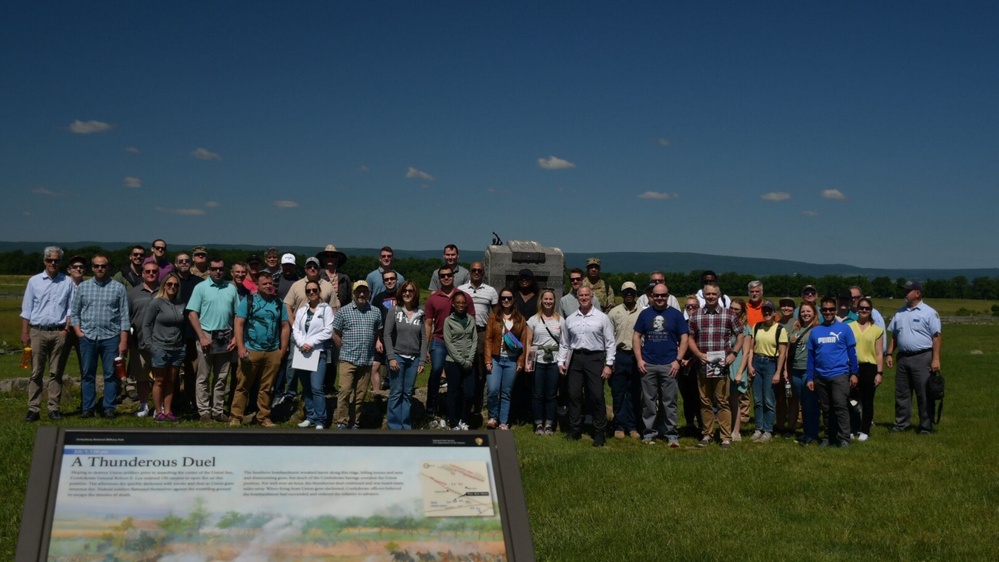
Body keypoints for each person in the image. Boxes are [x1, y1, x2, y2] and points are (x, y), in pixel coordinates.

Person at [71, 254, 130, 418]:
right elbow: (75, 313)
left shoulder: (118, 288)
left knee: (111, 375)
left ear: (108, 267)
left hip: (111, 337)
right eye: (96, 266)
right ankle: (87, 408)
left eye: (103, 266)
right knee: (87, 374)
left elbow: (124, 316)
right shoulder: (83, 287)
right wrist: (78, 332)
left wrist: (123, 340)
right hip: (88, 337)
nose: (100, 269)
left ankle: (109, 407)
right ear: (92, 268)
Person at [21, 246, 74, 422]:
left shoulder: (67, 282)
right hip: (38, 331)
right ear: (44, 261)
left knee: (56, 373)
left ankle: (54, 408)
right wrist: (25, 332)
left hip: (59, 331)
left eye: (56, 260)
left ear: (60, 262)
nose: (53, 263)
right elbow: (27, 308)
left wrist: (66, 329)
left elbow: (70, 308)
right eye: (50, 260)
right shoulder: (34, 281)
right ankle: (33, 409)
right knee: (36, 372)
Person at [687, 283, 743, 448]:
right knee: (704, 401)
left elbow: (740, 335)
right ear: (703, 296)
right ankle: (707, 434)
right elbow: (690, 338)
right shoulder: (696, 315)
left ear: (719, 295)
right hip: (703, 364)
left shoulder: (729, 315)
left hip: (721, 364)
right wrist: (698, 354)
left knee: (722, 401)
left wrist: (733, 353)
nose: (710, 296)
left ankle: (725, 436)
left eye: (714, 294)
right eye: (708, 294)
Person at [558, 286, 615, 447]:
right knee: (574, 395)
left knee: (596, 395)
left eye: (586, 295)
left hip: (595, 358)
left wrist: (609, 364)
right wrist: (561, 362)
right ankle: (575, 429)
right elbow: (565, 343)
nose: (583, 298)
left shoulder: (602, 318)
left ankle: (599, 432)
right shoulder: (571, 319)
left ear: (592, 297)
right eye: (580, 295)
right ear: (577, 298)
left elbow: (610, 343)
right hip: (575, 359)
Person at [633, 281, 689, 446]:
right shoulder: (645, 314)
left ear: (668, 296)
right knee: (649, 401)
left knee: (669, 401)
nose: (659, 298)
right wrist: (639, 359)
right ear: (651, 297)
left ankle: (671, 433)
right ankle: (649, 433)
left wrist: (678, 360)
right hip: (648, 364)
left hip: (669, 364)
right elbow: (636, 336)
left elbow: (684, 338)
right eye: (656, 295)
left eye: (663, 295)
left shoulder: (676, 315)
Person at [231, 272, 289, 427]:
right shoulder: (249, 302)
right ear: (257, 285)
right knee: (243, 385)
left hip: (272, 351)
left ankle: (263, 417)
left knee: (267, 387)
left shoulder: (278, 303)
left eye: (270, 283)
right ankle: (236, 417)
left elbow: (284, 326)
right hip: (251, 349)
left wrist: (282, 349)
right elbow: (239, 324)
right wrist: (241, 346)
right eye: (265, 284)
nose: (269, 286)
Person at [186, 257, 239, 423]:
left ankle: (217, 410)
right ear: (209, 269)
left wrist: (236, 337)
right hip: (206, 334)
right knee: (203, 376)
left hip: (226, 335)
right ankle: (204, 412)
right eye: (215, 269)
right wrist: (201, 336)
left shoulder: (231, 288)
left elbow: (238, 314)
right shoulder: (201, 288)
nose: (218, 272)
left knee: (222, 376)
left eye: (221, 269)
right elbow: (192, 313)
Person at [886, 280, 941, 435]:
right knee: (902, 393)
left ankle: (925, 426)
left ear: (917, 293)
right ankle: (901, 424)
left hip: (922, 356)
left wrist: (935, 358)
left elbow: (936, 337)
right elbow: (895, 336)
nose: (905, 293)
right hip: (903, 358)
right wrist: (889, 353)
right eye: (904, 290)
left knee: (924, 393)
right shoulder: (899, 313)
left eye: (908, 291)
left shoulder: (929, 313)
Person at [806, 296, 859, 448]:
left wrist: (854, 373)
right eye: (825, 310)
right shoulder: (816, 331)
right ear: (821, 311)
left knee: (840, 406)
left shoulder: (844, 328)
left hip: (840, 374)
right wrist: (810, 377)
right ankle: (828, 437)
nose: (828, 312)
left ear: (835, 311)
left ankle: (844, 438)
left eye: (831, 309)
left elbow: (851, 352)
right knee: (826, 409)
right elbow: (811, 356)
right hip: (820, 376)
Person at [424, 265, 473, 427]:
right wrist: (426, 347)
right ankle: (431, 407)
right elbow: (428, 323)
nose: (446, 278)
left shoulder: (463, 296)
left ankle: (459, 409)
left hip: (459, 341)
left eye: (449, 275)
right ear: (439, 278)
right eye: (443, 275)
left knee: (459, 375)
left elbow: (471, 319)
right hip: (439, 340)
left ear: (453, 276)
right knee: (437, 370)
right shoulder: (433, 298)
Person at [332, 281, 383, 429]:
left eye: (364, 292)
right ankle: (342, 421)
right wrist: (343, 349)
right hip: (348, 358)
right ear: (353, 293)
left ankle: (355, 422)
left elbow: (377, 331)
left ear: (369, 294)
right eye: (358, 291)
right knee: (345, 391)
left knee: (360, 395)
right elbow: (335, 334)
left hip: (366, 360)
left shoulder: (375, 311)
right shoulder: (344, 311)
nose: (362, 294)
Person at [141, 273, 186, 422]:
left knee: (170, 382)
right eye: (169, 284)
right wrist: (150, 346)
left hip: (177, 349)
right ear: (164, 286)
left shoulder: (180, 304)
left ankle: (168, 411)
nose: (172, 287)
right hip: (160, 347)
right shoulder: (156, 303)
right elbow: (146, 325)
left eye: (176, 285)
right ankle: (158, 411)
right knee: (159, 380)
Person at [383, 280, 427, 430]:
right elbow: (387, 335)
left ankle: (406, 426)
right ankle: (394, 426)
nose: (407, 293)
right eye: (405, 291)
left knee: (408, 393)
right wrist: (391, 357)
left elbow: (423, 338)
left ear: (415, 294)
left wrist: (422, 361)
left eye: (411, 291)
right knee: (396, 392)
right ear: (401, 293)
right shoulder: (394, 311)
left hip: (414, 359)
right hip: (397, 357)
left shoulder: (420, 313)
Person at [291, 280, 335, 430]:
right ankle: (310, 416)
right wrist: (302, 343)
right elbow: (295, 329)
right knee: (306, 386)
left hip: (318, 352)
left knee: (317, 387)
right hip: (302, 352)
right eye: (308, 291)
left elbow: (328, 331)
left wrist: (311, 343)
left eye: (314, 290)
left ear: (319, 292)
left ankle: (321, 420)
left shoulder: (326, 309)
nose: (311, 293)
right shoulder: (302, 310)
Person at [484, 287, 529, 430]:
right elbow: (488, 339)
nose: (506, 301)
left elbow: (523, 341)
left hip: (511, 360)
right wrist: (488, 360)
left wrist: (521, 361)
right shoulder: (494, 317)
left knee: (506, 392)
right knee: (492, 389)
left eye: (509, 298)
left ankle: (503, 421)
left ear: (513, 300)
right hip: (496, 359)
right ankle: (493, 417)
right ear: (500, 300)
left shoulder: (520, 319)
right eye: (503, 298)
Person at [458, 261, 498, 416]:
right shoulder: (461, 290)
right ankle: (464, 402)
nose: (476, 273)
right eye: (474, 270)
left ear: (483, 273)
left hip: (482, 332)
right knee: (464, 366)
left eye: (479, 271)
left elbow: (496, 315)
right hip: (463, 332)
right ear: (469, 271)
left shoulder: (491, 291)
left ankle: (477, 404)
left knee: (480, 368)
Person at [745, 300, 787, 443]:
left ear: (775, 313)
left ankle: (768, 430)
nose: (767, 313)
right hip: (757, 362)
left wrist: (778, 372)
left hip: (771, 364)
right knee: (757, 399)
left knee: (769, 399)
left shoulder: (780, 330)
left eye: (770, 310)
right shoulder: (757, 327)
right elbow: (751, 348)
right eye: (765, 311)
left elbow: (782, 354)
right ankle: (759, 428)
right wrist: (750, 365)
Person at [607, 282, 642, 439]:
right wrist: (610, 360)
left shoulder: (643, 313)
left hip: (637, 356)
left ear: (635, 294)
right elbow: (608, 338)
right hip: (619, 355)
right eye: (626, 292)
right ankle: (619, 426)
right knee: (618, 392)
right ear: (621, 294)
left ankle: (632, 426)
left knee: (634, 392)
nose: (629, 294)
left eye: (631, 292)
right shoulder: (614, 313)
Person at [526, 289, 563, 436]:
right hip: (538, 360)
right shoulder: (533, 320)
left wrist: (562, 361)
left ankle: (549, 423)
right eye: (545, 299)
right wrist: (528, 362)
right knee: (538, 394)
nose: (548, 302)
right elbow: (529, 343)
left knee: (551, 394)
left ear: (554, 301)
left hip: (554, 361)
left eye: (551, 299)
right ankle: (538, 423)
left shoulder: (560, 320)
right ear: (541, 301)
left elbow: (563, 343)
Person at [126, 261, 160, 417]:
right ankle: (144, 405)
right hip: (139, 342)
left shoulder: (165, 290)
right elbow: (127, 317)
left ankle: (159, 407)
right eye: (148, 271)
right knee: (141, 377)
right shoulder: (133, 293)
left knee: (160, 377)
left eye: (154, 271)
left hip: (161, 342)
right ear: (143, 273)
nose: (151, 273)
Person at [850, 297, 884, 442]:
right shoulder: (850, 326)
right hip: (852, 366)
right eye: (861, 308)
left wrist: (879, 373)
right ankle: (852, 428)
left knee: (867, 400)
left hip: (869, 367)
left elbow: (878, 353)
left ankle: (865, 430)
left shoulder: (877, 330)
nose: (864, 310)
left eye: (867, 308)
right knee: (851, 400)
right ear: (857, 309)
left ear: (871, 311)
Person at [787, 302, 820, 445]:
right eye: (802, 312)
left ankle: (813, 433)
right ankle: (807, 433)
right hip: (795, 369)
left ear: (814, 313)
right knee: (803, 403)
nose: (805, 314)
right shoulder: (797, 329)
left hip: (809, 370)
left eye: (808, 311)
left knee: (810, 402)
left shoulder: (817, 329)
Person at [444, 293, 477, 431]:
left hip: (469, 362)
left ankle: (464, 419)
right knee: (453, 393)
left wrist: (469, 359)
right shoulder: (448, 321)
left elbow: (474, 339)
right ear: (453, 304)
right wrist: (461, 361)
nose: (461, 305)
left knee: (469, 393)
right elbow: (448, 342)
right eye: (458, 302)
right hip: (453, 362)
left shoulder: (471, 320)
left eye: (463, 302)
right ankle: (453, 422)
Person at [677, 295, 703, 434]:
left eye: (694, 306)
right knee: (686, 396)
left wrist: (692, 359)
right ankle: (689, 423)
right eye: (688, 307)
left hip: (699, 363)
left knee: (699, 395)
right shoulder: (682, 323)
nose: (691, 309)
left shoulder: (702, 323)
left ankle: (702, 423)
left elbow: (703, 345)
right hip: (683, 364)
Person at [726, 299, 752, 441]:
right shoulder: (726, 324)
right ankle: (726, 428)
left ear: (742, 311)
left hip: (737, 366)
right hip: (725, 365)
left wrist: (740, 372)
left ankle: (736, 431)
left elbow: (746, 352)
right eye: (731, 308)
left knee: (735, 400)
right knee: (724, 400)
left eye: (737, 309)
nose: (733, 311)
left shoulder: (746, 328)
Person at [774, 297, 798, 436]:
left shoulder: (797, 324)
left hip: (792, 365)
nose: (786, 308)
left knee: (793, 398)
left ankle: (792, 426)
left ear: (793, 309)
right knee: (780, 397)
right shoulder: (777, 325)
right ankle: (780, 425)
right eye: (783, 306)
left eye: (789, 306)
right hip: (778, 363)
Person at [317, 243, 350, 310]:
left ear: (337, 259)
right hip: (321, 310)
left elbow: (348, 299)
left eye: (333, 256)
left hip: (341, 311)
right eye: (327, 256)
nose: (330, 258)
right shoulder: (318, 276)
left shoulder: (344, 278)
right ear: (324, 259)